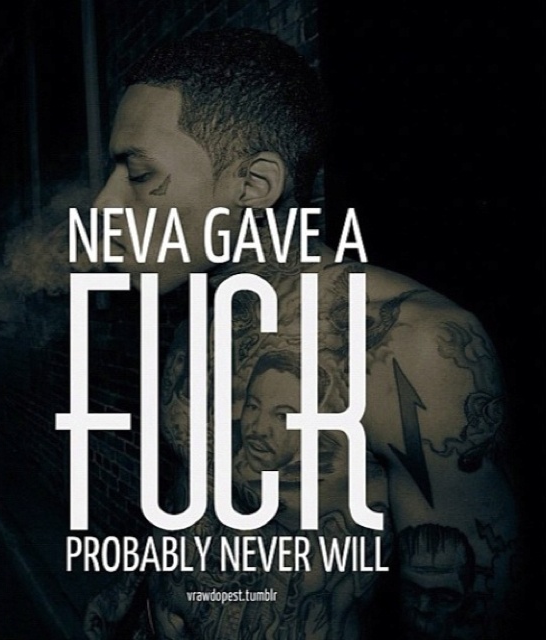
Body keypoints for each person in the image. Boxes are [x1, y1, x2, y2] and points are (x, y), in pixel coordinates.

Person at [83, 28, 517, 639]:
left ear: (254, 185)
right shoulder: (201, 314)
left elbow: (457, 604)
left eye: (137, 171)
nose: (103, 205)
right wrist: (136, 590)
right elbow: (196, 499)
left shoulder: (412, 345)